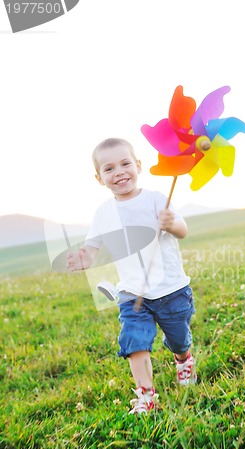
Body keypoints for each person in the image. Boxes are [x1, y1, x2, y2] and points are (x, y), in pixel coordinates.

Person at [67, 138, 196, 414]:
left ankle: (183, 359)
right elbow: (92, 246)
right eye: (109, 168)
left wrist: (172, 223)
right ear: (99, 178)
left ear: (138, 166)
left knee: (179, 339)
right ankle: (146, 395)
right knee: (134, 340)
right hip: (132, 292)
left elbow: (183, 230)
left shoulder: (156, 199)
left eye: (125, 164)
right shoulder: (103, 213)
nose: (119, 172)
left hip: (171, 289)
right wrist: (84, 259)